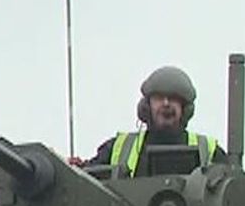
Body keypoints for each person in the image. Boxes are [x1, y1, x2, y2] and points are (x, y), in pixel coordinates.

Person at [85, 66, 227, 176]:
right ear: (146, 107)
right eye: (159, 98)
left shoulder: (209, 151)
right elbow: (85, 180)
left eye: (173, 98)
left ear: (185, 108)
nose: (166, 103)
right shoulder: (119, 147)